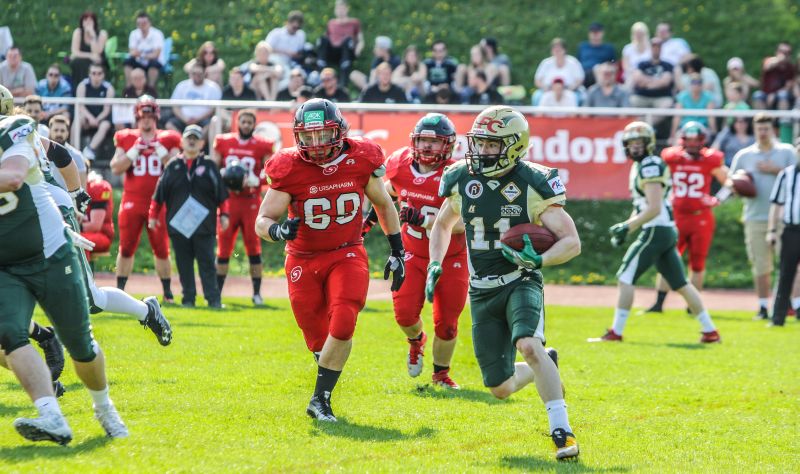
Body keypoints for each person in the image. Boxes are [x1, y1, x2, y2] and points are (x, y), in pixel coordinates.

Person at [427, 105, 580, 460]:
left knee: (528, 343)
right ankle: (545, 362)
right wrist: (436, 263)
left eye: (492, 145)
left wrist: (539, 259)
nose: (482, 151)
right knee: (499, 387)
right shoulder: (462, 177)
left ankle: (563, 431)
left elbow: (571, 241)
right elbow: (442, 224)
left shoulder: (532, 182)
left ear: (514, 146)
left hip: (519, 279)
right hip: (480, 289)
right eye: (479, 143)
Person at [255, 98, 405, 422]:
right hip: (302, 259)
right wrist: (279, 231)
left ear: (340, 132)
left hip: (346, 251)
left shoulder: (360, 157)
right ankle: (325, 372)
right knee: (318, 338)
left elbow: (383, 204)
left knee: (345, 318)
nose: (316, 144)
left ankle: (319, 400)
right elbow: (262, 220)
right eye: (308, 137)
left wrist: (398, 250)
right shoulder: (290, 166)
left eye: (323, 135)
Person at [0, 111, 128, 443]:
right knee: (9, 334)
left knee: (81, 347)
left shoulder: (15, 129)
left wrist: (76, 191)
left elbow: (13, 177)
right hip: (6, 265)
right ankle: (51, 416)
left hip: (51, 254)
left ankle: (104, 406)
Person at [589, 121, 720, 343]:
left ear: (648, 144)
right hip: (664, 230)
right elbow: (642, 206)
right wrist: (628, 226)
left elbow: (654, 207)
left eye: (639, 143)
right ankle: (710, 331)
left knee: (625, 277)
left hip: (656, 230)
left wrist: (627, 227)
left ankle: (616, 332)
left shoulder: (650, 165)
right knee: (681, 284)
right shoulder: (641, 166)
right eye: (631, 143)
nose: (635, 147)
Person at [367, 113, 467, 388]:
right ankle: (416, 341)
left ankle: (441, 375)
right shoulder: (400, 164)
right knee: (405, 315)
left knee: (447, 322)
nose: (426, 147)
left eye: (434, 142)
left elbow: (462, 224)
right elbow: (386, 193)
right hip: (412, 252)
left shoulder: (458, 173)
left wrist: (423, 220)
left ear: (447, 146)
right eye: (423, 140)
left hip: (451, 256)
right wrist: (371, 219)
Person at [645, 122, 729, 313]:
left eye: (695, 140)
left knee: (697, 263)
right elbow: (657, 177)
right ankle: (659, 303)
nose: (692, 144)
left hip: (701, 217)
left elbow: (729, 180)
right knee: (668, 258)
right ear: (682, 140)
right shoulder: (672, 157)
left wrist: (718, 199)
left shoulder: (711, 159)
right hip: (677, 217)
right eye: (688, 140)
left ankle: (692, 306)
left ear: (702, 141)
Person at [110, 95, 180, 302]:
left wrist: (160, 150)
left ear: (156, 116)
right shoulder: (127, 137)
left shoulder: (168, 138)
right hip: (132, 200)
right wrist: (134, 152)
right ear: (137, 117)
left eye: (150, 116)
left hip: (158, 201)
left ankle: (167, 293)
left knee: (161, 247)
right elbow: (115, 167)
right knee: (126, 246)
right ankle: (120, 290)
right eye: (143, 116)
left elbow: (176, 169)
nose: (146, 120)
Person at [149, 125, 228, 308]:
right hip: (179, 226)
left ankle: (213, 299)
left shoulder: (209, 166)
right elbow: (158, 193)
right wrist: (152, 216)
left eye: (195, 138)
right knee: (184, 265)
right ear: (182, 142)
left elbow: (222, 194)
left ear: (202, 143)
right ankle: (188, 299)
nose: (191, 141)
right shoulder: (173, 165)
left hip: (205, 226)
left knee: (207, 263)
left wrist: (224, 214)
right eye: (188, 138)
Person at [729, 113, 797, 319]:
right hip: (754, 215)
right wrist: (739, 185)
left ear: (773, 129)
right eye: (760, 129)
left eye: (766, 128)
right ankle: (762, 307)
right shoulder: (744, 155)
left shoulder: (787, 152)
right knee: (760, 265)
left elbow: (797, 175)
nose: (763, 132)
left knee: (788, 264)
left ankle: (787, 304)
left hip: (784, 217)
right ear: (754, 129)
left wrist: (777, 170)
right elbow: (731, 183)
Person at [212, 109, 274, 305]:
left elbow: (270, 172)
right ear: (237, 123)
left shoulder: (262, 145)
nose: (246, 125)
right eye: (243, 121)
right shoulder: (224, 142)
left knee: (253, 248)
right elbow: (213, 169)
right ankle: (217, 293)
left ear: (254, 124)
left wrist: (257, 179)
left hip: (251, 202)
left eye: (249, 122)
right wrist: (223, 173)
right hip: (229, 201)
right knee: (223, 249)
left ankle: (256, 294)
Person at [767, 139, 800, 326]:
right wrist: (771, 230)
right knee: (785, 273)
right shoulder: (786, 175)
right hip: (792, 230)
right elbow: (776, 204)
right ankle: (778, 317)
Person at [317, 0, 364, 87]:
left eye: (342, 8)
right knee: (322, 39)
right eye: (338, 8)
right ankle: (321, 78)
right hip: (332, 51)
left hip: (346, 51)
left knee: (347, 40)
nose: (340, 11)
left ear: (346, 9)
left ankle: (343, 85)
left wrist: (358, 49)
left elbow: (360, 40)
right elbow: (326, 38)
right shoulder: (331, 23)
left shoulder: (354, 22)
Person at [166, 62, 222, 136]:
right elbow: (175, 106)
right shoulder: (182, 85)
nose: (196, 76)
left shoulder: (213, 87)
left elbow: (213, 109)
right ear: (190, 73)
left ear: (204, 73)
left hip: (203, 120)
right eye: (194, 73)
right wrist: (185, 119)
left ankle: (199, 144)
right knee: (169, 125)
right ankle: (183, 144)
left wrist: (198, 119)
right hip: (183, 119)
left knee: (211, 124)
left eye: (199, 74)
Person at [630, 38, 674, 126]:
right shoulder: (641, 64)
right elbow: (638, 79)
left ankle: (645, 126)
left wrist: (647, 82)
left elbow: (665, 82)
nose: (656, 48)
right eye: (654, 46)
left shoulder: (667, 65)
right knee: (630, 102)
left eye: (658, 46)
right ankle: (642, 127)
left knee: (668, 104)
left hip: (661, 97)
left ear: (661, 49)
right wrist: (657, 81)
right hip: (641, 96)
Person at [75, 62, 114, 160]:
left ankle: (90, 150)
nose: (96, 76)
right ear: (89, 74)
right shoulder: (82, 86)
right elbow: (81, 107)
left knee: (106, 125)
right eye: (93, 73)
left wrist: (97, 120)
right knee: (77, 119)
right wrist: (90, 118)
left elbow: (106, 110)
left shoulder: (109, 88)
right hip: (86, 117)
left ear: (103, 75)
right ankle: (73, 150)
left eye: (99, 73)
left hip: (101, 118)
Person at [670, 73, 716, 143]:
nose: (696, 85)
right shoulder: (682, 96)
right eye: (693, 82)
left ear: (702, 84)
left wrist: (714, 132)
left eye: (699, 82)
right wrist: (672, 135)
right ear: (690, 84)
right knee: (677, 140)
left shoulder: (708, 96)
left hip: (703, 128)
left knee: (707, 139)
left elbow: (711, 117)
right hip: (684, 128)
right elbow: (677, 117)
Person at [123, 12, 164, 88]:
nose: (142, 26)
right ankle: (129, 88)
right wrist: (146, 55)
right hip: (139, 62)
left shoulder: (157, 34)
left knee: (154, 64)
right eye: (139, 24)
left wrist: (140, 54)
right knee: (127, 62)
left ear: (149, 23)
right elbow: (132, 52)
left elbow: (156, 54)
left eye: (144, 23)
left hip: (152, 63)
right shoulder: (134, 34)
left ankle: (151, 89)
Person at [69, 11, 109, 87]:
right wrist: (90, 55)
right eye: (85, 20)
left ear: (94, 22)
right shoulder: (78, 32)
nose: (88, 22)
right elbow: (75, 51)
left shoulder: (102, 33)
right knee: (77, 62)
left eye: (90, 20)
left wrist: (93, 36)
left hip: (98, 61)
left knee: (93, 64)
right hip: (81, 60)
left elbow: (97, 52)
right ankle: (78, 88)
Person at [754, 42, 795, 109]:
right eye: (781, 51)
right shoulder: (768, 60)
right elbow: (767, 66)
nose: (784, 54)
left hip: (780, 94)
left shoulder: (790, 67)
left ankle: (783, 119)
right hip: (765, 93)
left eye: (787, 52)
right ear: (776, 52)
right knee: (757, 95)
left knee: (783, 94)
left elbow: (788, 86)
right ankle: (762, 118)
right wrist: (779, 60)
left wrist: (774, 94)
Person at [577, 22, 616, 87]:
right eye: (593, 32)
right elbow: (578, 63)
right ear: (589, 34)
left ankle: (600, 91)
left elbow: (613, 64)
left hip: (601, 74)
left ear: (602, 33)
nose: (595, 34)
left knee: (597, 68)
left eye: (597, 32)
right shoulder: (583, 47)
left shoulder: (608, 48)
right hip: (583, 74)